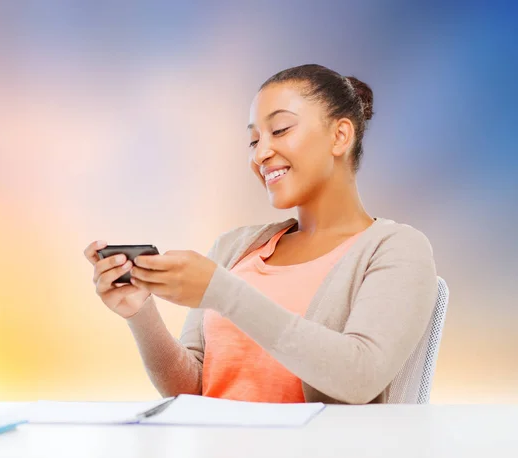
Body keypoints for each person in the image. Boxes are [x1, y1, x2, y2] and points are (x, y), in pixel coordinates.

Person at [83, 64, 438, 405]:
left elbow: (359, 376)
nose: (261, 154)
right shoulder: (234, 247)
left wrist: (223, 292)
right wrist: (141, 313)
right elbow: (193, 391)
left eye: (280, 130)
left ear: (340, 135)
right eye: (254, 140)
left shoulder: (396, 249)